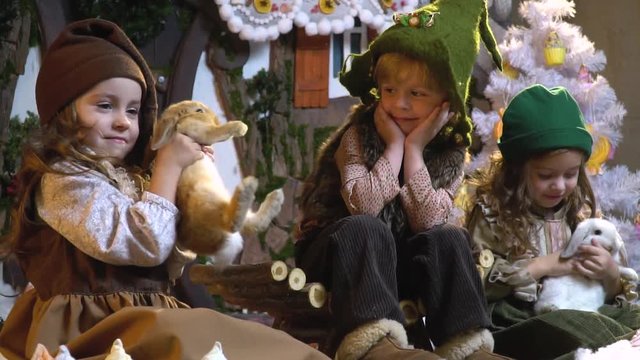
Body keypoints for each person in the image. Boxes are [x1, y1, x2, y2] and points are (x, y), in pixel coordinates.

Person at [0, 18, 330, 360]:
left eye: (133, 110)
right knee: (204, 338)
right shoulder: (63, 180)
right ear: (63, 111)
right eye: (104, 105)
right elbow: (146, 245)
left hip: (145, 316)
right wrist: (169, 168)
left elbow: (167, 263)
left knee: (242, 339)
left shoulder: (132, 178)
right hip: (92, 327)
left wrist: (191, 187)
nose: (123, 121)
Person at [294, 1, 513, 359]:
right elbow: (362, 205)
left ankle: (467, 344)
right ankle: (375, 342)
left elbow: (426, 221)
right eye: (391, 91)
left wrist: (415, 151)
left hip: (396, 263)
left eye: (417, 95)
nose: (400, 105)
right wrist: (394, 146)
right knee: (367, 227)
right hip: (339, 254)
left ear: (446, 103)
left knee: (448, 236)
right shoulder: (358, 135)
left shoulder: (450, 152)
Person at [466, 84, 640, 359]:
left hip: (582, 305)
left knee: (632, 314)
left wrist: (610, 275)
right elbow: (473, 285)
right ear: (517, 170)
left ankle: (618, 345)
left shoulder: (578, 213)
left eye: (570, 174)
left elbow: (605, 292)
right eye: (546, 175)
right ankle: (619, 348)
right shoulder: (493, 212)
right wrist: (543, 265)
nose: (559, 186)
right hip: (519, 317)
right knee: (573, 325)